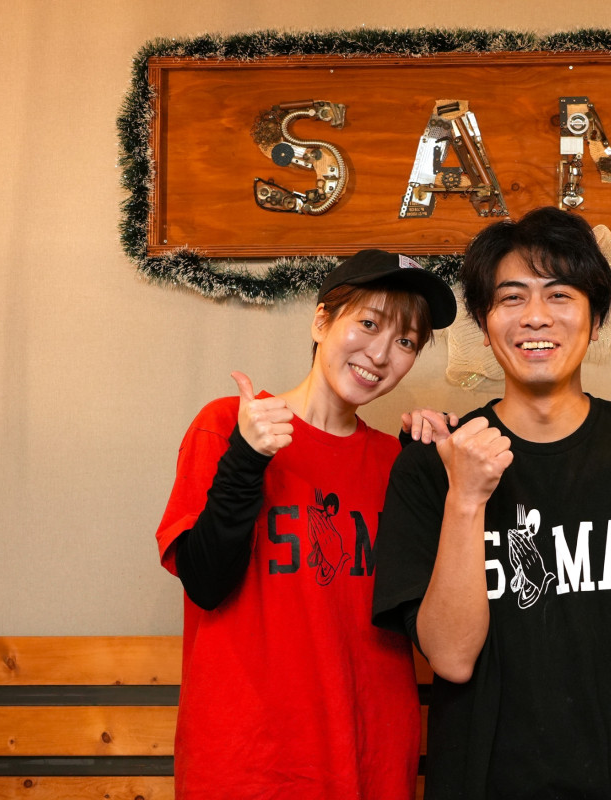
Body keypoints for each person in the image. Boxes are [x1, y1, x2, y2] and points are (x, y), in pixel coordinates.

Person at [371, 207, 611, 800]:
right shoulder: (430, 467)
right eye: (511, 297)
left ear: (597, 319)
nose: (535, 316)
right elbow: (451, 658)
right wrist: (466, 499)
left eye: (560, 294)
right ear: (483, 324)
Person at [155, 250, 457, 799]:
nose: (380, 354)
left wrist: (434, 475)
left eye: (406, 342)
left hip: (370, 755)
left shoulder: (397, 463)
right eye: (369, 324)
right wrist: (246, 458)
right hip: (249, 763)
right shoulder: (228, 424)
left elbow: (439, 621)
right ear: (321, 321)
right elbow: (204, 582)